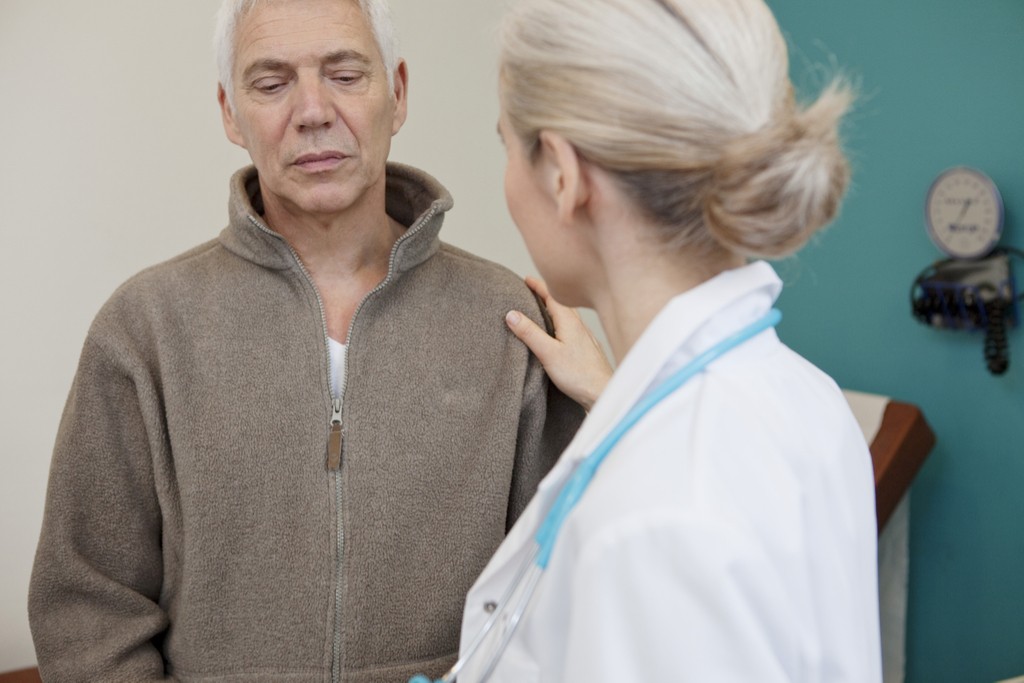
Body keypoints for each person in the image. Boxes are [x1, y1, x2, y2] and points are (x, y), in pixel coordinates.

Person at [27, 0, 583, 680]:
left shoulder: (510, 322)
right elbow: (89, 612)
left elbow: (565, 593)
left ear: (398, 93)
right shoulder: (144, 330)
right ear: (231, 113)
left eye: (346, 75)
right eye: (272, 82)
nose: (314, 110)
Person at [434, 0, 884, 680]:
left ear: (562, 173)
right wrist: (618, 395)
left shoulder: (658, 514)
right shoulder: (805, 400)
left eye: (506, 143)